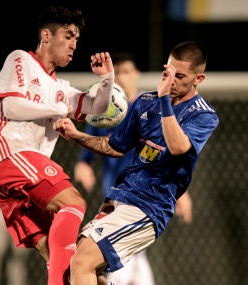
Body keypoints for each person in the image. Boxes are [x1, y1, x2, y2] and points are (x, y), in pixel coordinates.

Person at [54, 41, 218, 285]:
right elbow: (114, 146)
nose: (172, 81)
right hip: (119, 197)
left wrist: (163, 99)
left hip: (149, 206)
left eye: (180, 76)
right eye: (168, 73)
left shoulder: (203, 114)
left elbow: (177, 146)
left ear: (199, 79)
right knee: (79, 268)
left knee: (82, 263)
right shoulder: (144, 102)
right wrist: (77, 136)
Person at [0, 6, 114, 285]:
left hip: (22, 176)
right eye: (67, 36)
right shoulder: (20, 60)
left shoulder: (61, 87)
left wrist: (106, 80)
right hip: (11, 156)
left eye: (76, 40)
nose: (74, 45)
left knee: (56, 254)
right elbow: (12, 105)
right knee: (74, 202)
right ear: (46, 35)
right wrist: (56, 108)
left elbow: (97, 107)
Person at [74, 52, 193, 285]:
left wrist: (183, 194)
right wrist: (82, 166)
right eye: (118, 73)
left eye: (127, 72)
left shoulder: (151, 110)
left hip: (146, 200)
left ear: (137, 74)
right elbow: (86, 155)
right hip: (118, 198)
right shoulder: (107, 113)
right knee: (130, 267)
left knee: (116, 267)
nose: (123, 78)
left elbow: (169, 156)